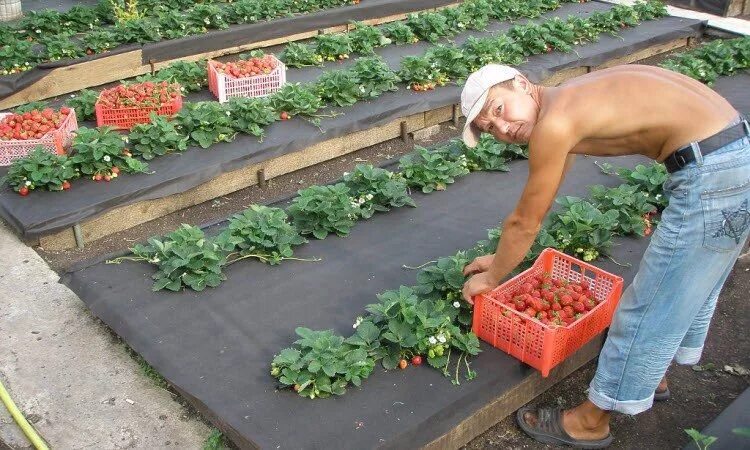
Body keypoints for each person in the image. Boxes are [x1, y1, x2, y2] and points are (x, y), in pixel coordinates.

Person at [459, 64, 750, 448]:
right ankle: (650, 374)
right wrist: (500, 257)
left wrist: (493, 277)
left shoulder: (555, 123)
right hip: (733, 151)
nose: (503, 128)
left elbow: (525, 222)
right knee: (688, 285)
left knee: (651, 303)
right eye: (490, 128)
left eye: (498, 110)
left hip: (712, 173)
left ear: (522, 84)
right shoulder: (568, 102)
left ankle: (591, 422)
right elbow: (542, 199)